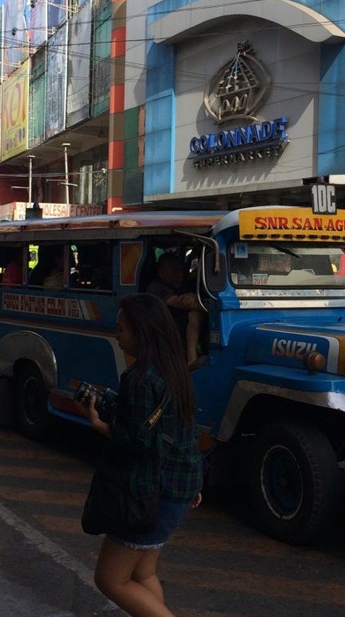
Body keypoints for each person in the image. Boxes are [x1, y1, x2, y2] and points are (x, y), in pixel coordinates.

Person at [85, 293, 203, 617]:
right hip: (178, 490)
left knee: (110, 580)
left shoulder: (139, 379)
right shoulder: (176, 371)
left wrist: (102, 425)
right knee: (142, 573)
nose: (118, 337)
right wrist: (194, 485)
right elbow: (184, 432)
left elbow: (139, 442)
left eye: (122, 330)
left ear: (142, 332)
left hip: (150, 494)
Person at [147, 253, 205, 364]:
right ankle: (191, 357)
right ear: (161, 273)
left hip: (178, 331)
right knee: (195, 313)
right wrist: (208, 306)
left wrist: (193, 297)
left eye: (181, 271)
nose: (180, 275)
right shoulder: (155, 288)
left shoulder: (182, 286)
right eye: (175, 271)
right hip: (163, 332)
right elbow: (182, 303)